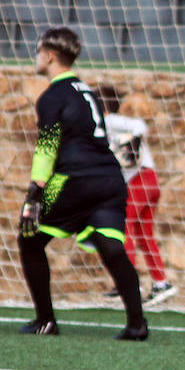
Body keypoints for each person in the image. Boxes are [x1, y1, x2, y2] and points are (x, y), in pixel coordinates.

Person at [16, 27, 150, 341]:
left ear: (49, 56)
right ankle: (137, 323)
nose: (36, 58)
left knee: (29, 238)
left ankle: (45, 321)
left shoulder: (52, 95)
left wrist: (35, 190)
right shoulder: (87, 90)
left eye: (38, 52)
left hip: (72, 180)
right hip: (110, 179)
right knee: (111, 248)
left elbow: (47, 145)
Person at [98, 83, 176, 306]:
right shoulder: (106, 127)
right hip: (150, 181)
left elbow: (140, 126)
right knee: (143, 233)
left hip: (141, 179)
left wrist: (129, 148)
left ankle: (126, 282)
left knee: (124, 226)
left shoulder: (109, 121)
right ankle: (161, 282)